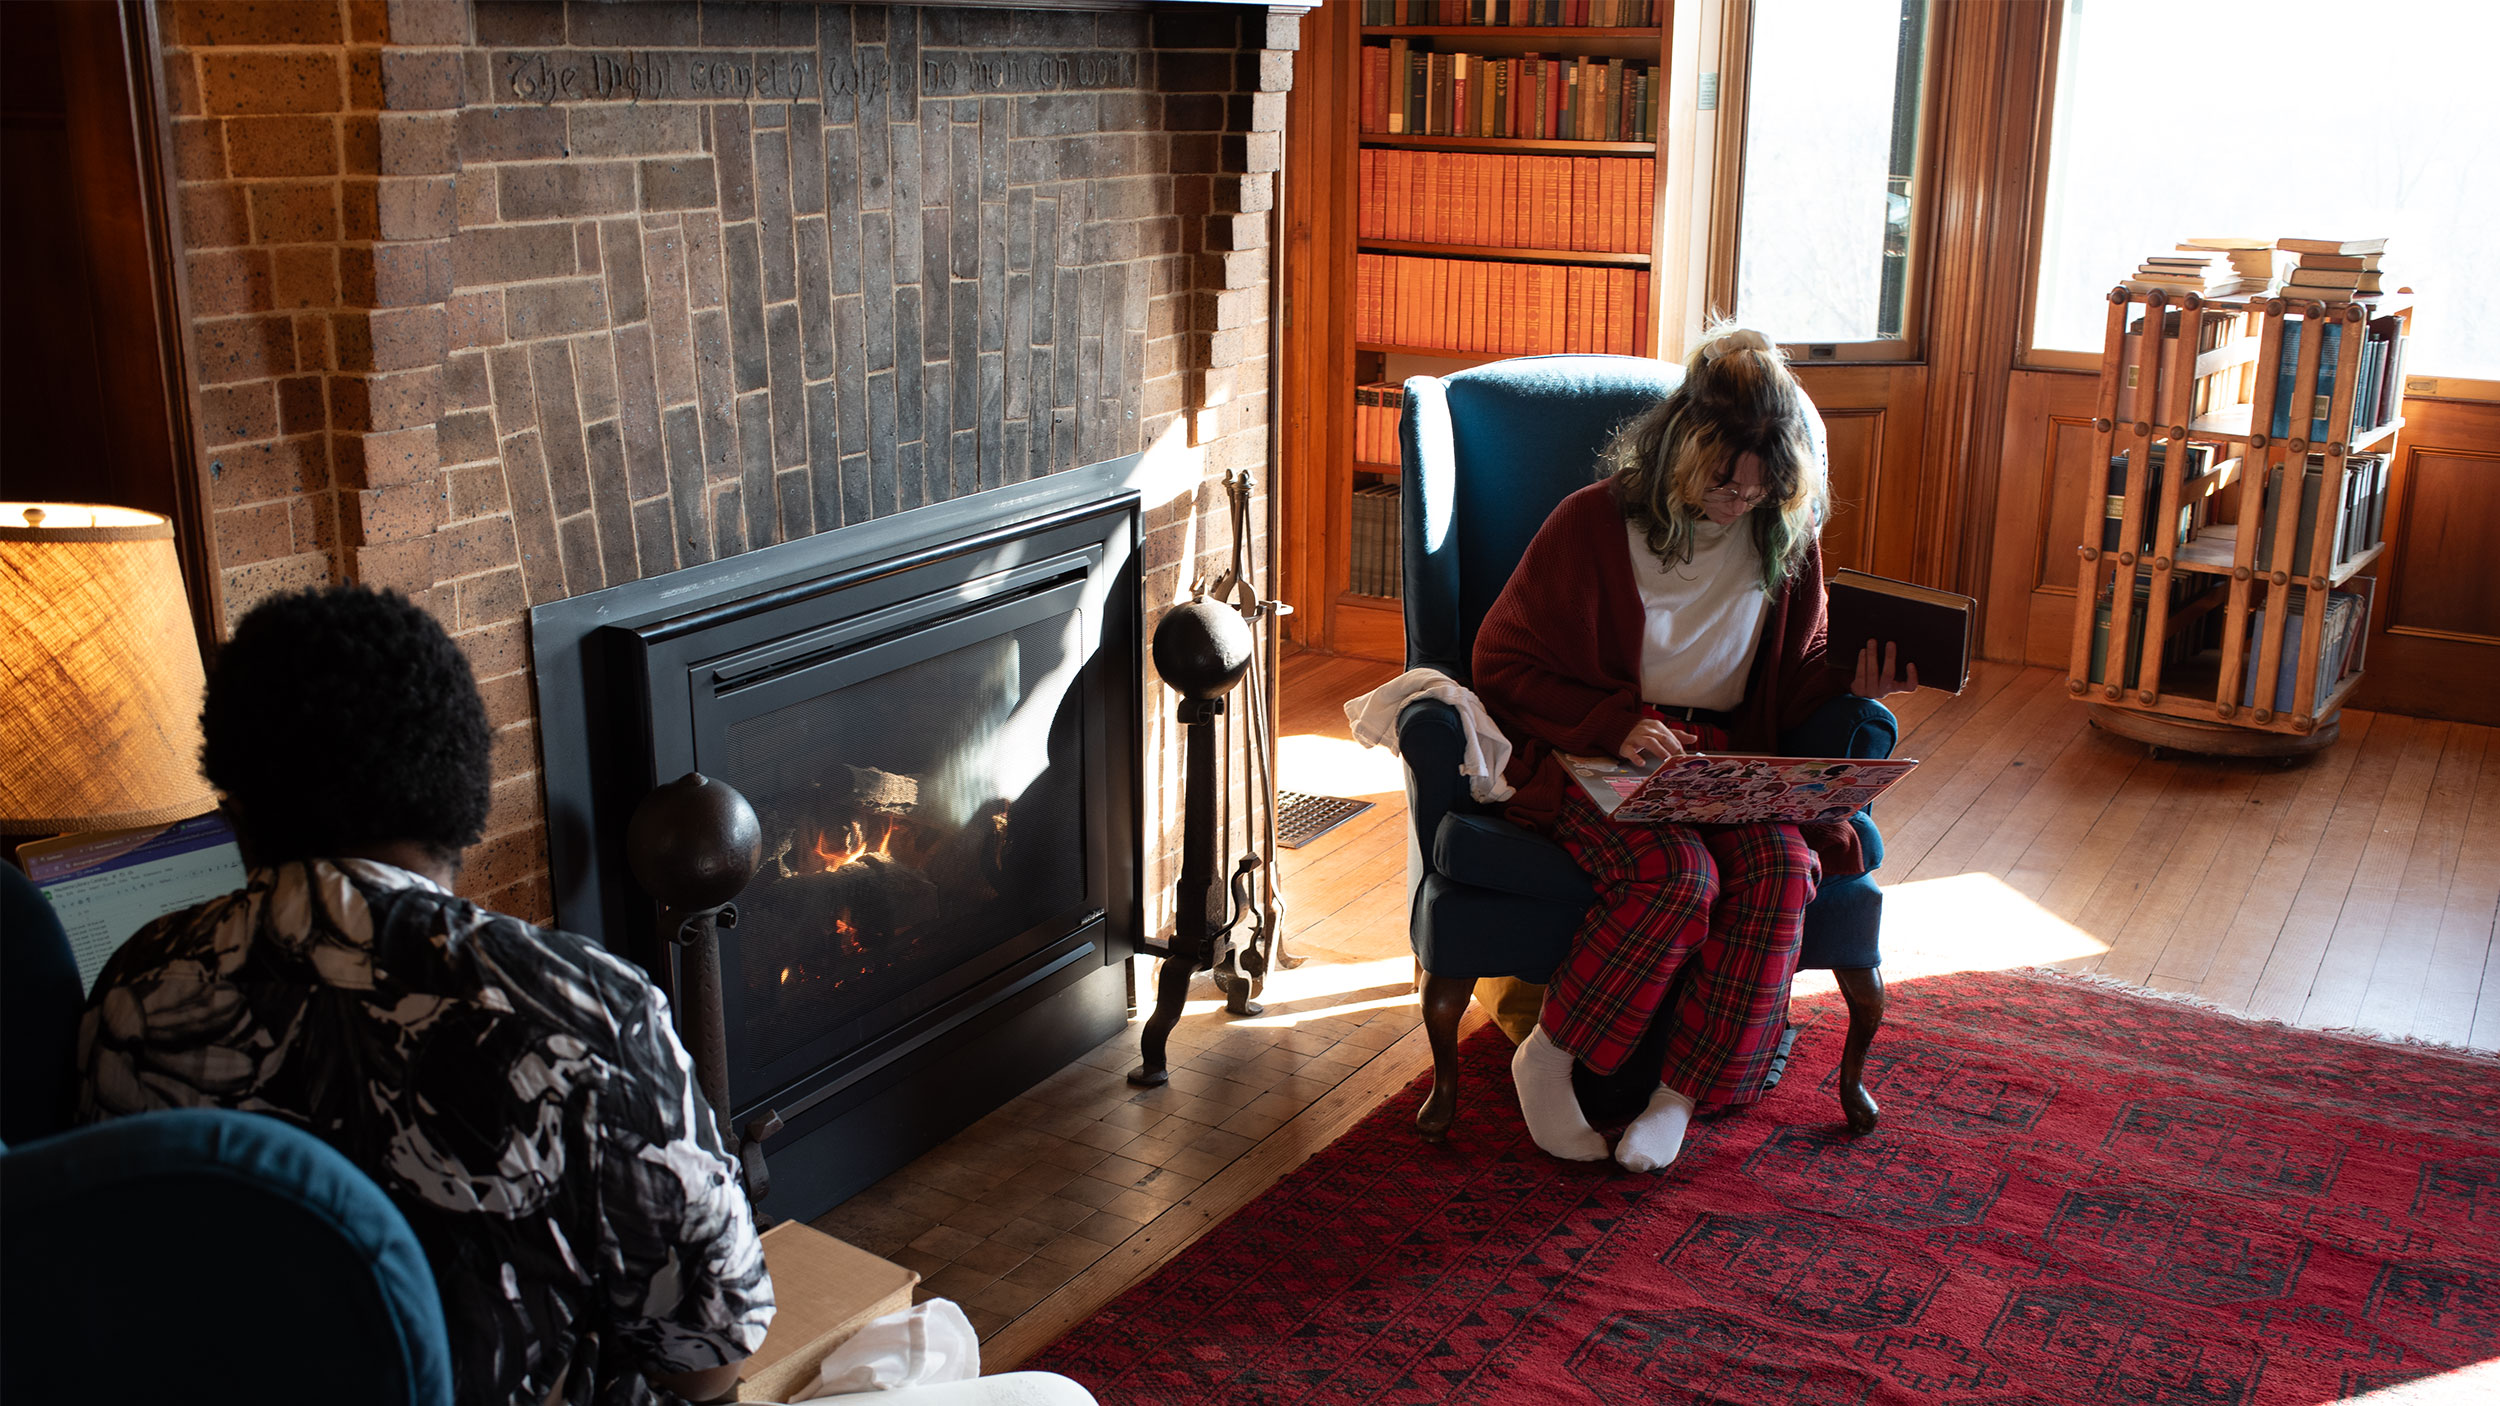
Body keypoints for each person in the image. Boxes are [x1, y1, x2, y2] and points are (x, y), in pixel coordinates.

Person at [74, 585, 773, 1406]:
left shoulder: (132, 991)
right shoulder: (588, 1013)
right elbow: (707, 1359)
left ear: (234, 800)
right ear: (462, 784)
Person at [1471, 326, 1915, 1173]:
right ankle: (1550, 1055)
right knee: (1679, 878)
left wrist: (1862, 688)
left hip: (1721, 757)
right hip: (1597, 750)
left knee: (1784, 870)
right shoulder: (1589, 526)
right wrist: (1612, 724)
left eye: (1757, 490)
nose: (1736, 502)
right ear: (1678, 450)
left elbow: (1797, 680)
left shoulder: (1784, 537)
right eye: (1721, 483)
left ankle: (1680, 1094)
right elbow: (1501, 662)